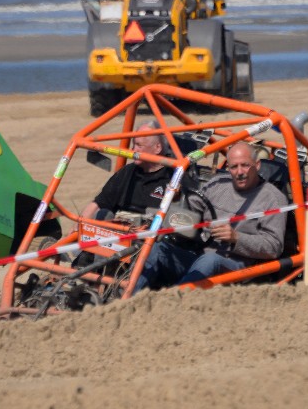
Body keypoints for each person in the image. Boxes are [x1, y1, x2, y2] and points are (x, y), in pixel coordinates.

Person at [133, 141, 286, 291]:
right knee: (157, 249)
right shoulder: (217, 184)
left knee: (210, 260)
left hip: (239, 270)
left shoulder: (273, 198)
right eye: (234, 167)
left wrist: (236, 238)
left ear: (257, 165)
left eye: (245, 165)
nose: (240, 172)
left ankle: (172, 305)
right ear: (228, 168)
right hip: (200, 258)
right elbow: (192, 210)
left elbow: (274, 247)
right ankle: (129, 303)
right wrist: (178, 199)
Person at [80, 121, 172, 221]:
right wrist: (77, 228)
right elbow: (98, 204)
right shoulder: (127, 172)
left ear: (157, 148)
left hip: (153, 232)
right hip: (119, 230)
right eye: (133, 144)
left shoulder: (173, 176)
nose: (133, 149)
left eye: (139, 145)